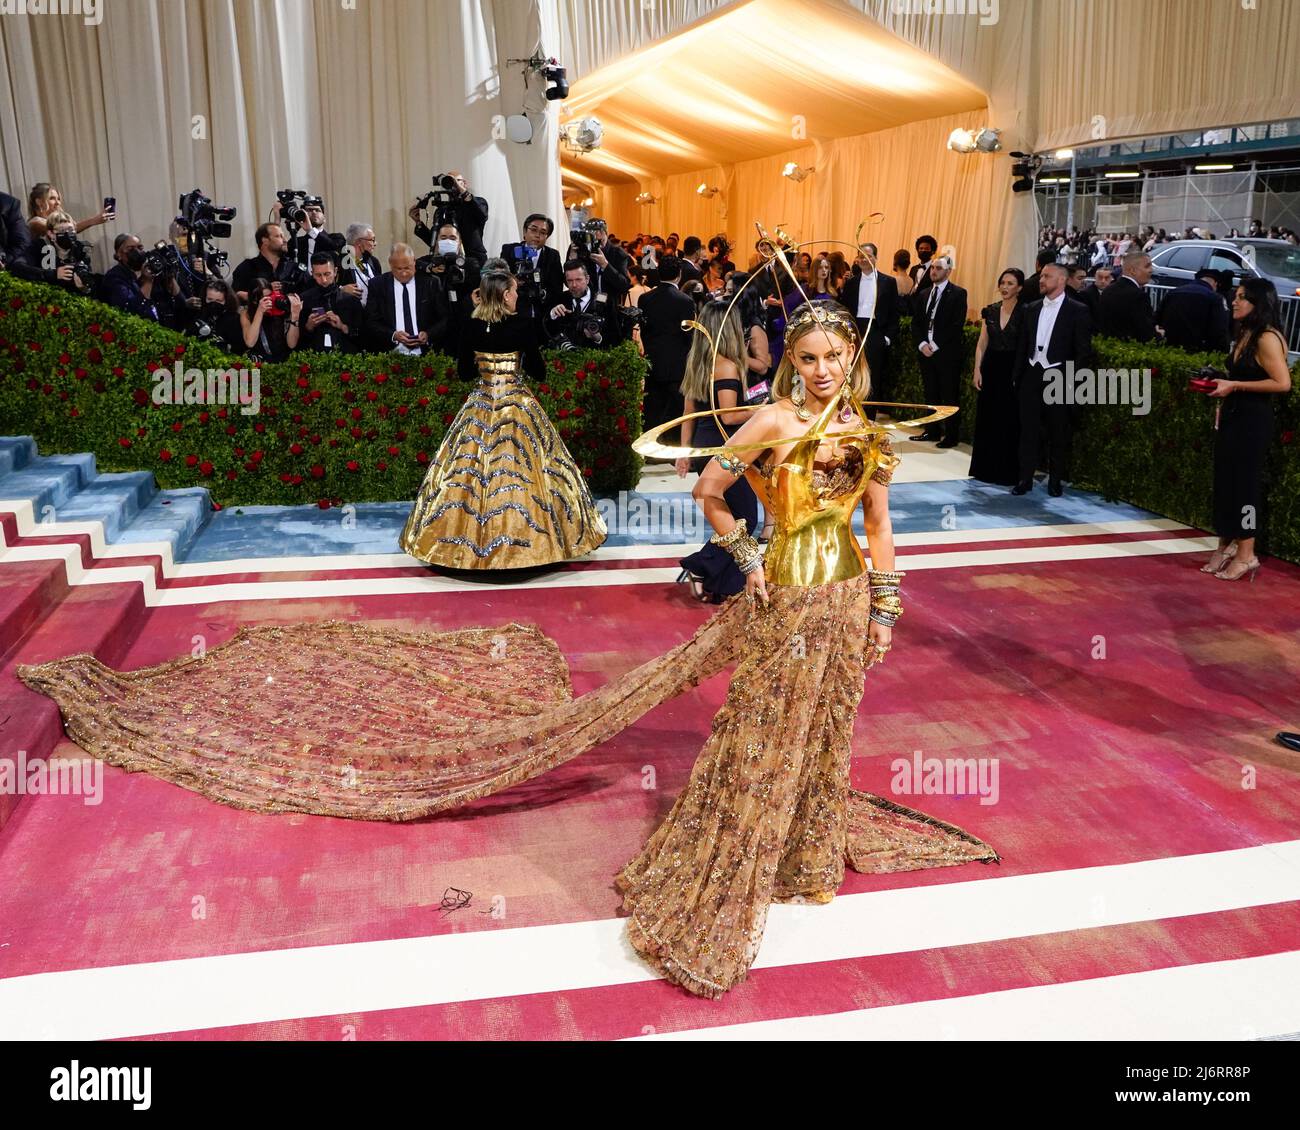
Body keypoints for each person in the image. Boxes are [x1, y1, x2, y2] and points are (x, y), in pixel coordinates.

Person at [17, 298, 997, 1003]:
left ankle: (803, 853)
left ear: (852, 361)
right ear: (792, 362)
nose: (823, 369)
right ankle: (737, 861)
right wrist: (747, 558)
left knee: (827, 736)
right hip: (782, 608)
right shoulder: (772, 421)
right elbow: (704, 495)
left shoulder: (866, 432)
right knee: (766, 736)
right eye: (810, 355)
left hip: (843, 609)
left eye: (836, 355)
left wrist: (884, 608)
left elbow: (879, 526)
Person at [399, 266, 607, 569]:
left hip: (480, 403)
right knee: (535, 471)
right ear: (505, 294)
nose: (518, 296)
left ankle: (459, 548)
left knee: (464, 474)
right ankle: (536, 545)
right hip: (517, 404)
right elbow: (538, 371)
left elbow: (464, 373)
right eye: (514, 291)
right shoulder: (523, 324)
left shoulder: (471, 326)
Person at [1200, 278, 1293, 582]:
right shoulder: (1245, 333)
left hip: (1253, 422)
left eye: (1242, 298)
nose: (1235, 302)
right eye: (1235, 296)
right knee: (1225, 483)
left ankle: (1247, 554)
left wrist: (1235, 384)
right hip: (1233, 417)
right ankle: (1225, 546)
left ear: (1259, 303)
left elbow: (1282, 383)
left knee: (1245, 489)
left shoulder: (1267, 337)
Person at [674, 301, 757, 602]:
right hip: (723, 451)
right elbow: (730, 416)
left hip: (703, 448)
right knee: (745, 517)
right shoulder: (727, 365)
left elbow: (688, 413)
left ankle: (719, 585)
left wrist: (684, 453)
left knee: (732, 517)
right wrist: (766, 410)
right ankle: (701, 566)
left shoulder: (698, 362)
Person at [1012, 262, 1092, 498]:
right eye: (1042, 276)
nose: (1041, 280)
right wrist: (1018, 376)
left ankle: (1055, 480)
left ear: (1061, 280)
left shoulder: (1078, 310)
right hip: (1031, 374)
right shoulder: (1031, 308)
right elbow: (1022, 346)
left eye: (1047, 276)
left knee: (1058, 432)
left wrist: (1072, 382)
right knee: (1028, 431)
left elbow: (1083, 352)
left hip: (1060, 376)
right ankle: (1024, 479)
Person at [968, 269, 1025, 486]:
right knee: (988, 418)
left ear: (1019, 287)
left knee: (1009, 420)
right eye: (1002, 282)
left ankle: (1007, 472)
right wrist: (977, 369)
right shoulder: (990, 311)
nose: (1005, 287)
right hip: (991, 367)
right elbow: (982, 343)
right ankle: (984, 469)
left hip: (1013, 369)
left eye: (1010, 283)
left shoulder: (1025, 311)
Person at [912, 255, 967, 446]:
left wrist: (934, 345)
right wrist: (922, 344)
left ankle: (951, 435)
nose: (934, 271)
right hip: (925, 352)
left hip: (946, 354)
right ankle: (932, 430)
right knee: (930, 393)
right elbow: (916, 323)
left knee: (949, 394)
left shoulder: (958, 294)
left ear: (948, 271)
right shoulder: (924, 293)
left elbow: (955, 325)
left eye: (938, 268)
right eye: (933, 267)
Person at [839, 243, 899, 414]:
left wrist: (887, 338)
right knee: (853, 374)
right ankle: (850, 416)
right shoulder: (851, 283)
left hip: (876, 332)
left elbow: (894, 313)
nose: (864, 260)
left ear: (875, 258)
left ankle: (869, 419)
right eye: (861, 256)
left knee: (873, 377)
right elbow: (845, 310)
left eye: (868, 256)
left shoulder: (888, 282)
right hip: (855, 331)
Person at [638, 255, 696, 431]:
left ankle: (650, 451)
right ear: (679, 274)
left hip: (652, 361)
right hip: (677, 365)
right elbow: (689, 335)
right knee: (675, 412)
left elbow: (644, 328)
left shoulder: (645, 299)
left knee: (653, 410)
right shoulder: (685, 301)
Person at [365, 243, 444, 355]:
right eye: (398, 269)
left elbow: (444, 318)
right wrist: (393, 335)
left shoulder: (431, 283)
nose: (403, 273)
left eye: (407, 267)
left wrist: (428, 334)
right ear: (391, 264)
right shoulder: (378, 285)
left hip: (427, 353)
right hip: (390, 354)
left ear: (414, 261)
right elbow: (371, 321)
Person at [412, 172, 489, 266]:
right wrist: (418, 222)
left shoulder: (477, 203)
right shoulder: (442, 210)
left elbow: (482, 214)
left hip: (474, 261)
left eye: (456, 181)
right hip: (449, 262)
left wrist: (460, 189)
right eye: (449, 182)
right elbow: (435, 240)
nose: (453, 184)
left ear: (464, 183)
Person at [500, 214, 564, 323]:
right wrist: (513, 282)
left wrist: (542, 293)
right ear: (525, 231)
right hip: (513, 312)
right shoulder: (509, 250)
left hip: (541, 314)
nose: (537, 235)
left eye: (543, 232)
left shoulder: (552, 255)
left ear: (547, 237)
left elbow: (556, 288)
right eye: (533, 230)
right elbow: (499, 280)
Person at [296, 253, 366, 353]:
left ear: (335, 272)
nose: (323, 280)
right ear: (312, 273)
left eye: (327, 274)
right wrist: (309, 326)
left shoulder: (351, 300)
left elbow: (363, 335)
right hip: (313, 359)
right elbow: (295, 340)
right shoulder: (304, 300)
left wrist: (342, 326)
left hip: (346, 359)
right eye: (318, 275)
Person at [545, 261, 619, 349]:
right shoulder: (560, 299)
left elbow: (616, 336)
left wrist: (598, 338)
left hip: (595, 358)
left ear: (587, 279)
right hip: (564, 357)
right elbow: (547, 331)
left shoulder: (605, 300)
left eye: (578, 279)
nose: (574, 285)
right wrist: (552, 315)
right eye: (569, 281)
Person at [1157, 268, 1231, 353]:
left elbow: (1158, 318)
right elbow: (1219, 329)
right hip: (1198, 352)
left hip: (1170, 350)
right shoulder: (1215, 298)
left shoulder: (1173, 293)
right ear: (1215, 283)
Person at [231, 222, 307, 301]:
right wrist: (263, 292)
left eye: (283, 236)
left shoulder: (295, 267)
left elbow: (309, 291)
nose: (285, 240)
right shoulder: (247, 267)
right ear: (265, 240)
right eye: (279, 236)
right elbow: (236, 294)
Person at [1099, 251, 1156, 341]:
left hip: (1110, 346)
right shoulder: (1138, 296)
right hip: (1132, 349)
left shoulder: (1108, 290)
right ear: (1133, 270)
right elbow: (1145, 331)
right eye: (1147, 266)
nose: (1151, 270)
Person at [240, 278, 301, 361]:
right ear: (255, 301)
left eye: (270, 296)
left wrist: (295, 315)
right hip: (260, 361)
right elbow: (250, 342)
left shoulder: (281, 307)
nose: (270, 301)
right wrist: (260, 311)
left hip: (283, 360)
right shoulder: (246, 313)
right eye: (265, 298)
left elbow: (292, 344)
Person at [26, 182, 113, 240]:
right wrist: (94, 220)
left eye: (58, 199)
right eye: (52, 198)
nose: (58, 202)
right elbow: (65, 230)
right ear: (39, 202)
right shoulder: (35, 222)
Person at [339, 223, 381, 306]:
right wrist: (341, 289)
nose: (375, 243)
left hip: (373, 314)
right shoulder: (340, 262)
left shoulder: (374, 262)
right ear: (359, 242)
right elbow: (325, 287)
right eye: (372, 240)